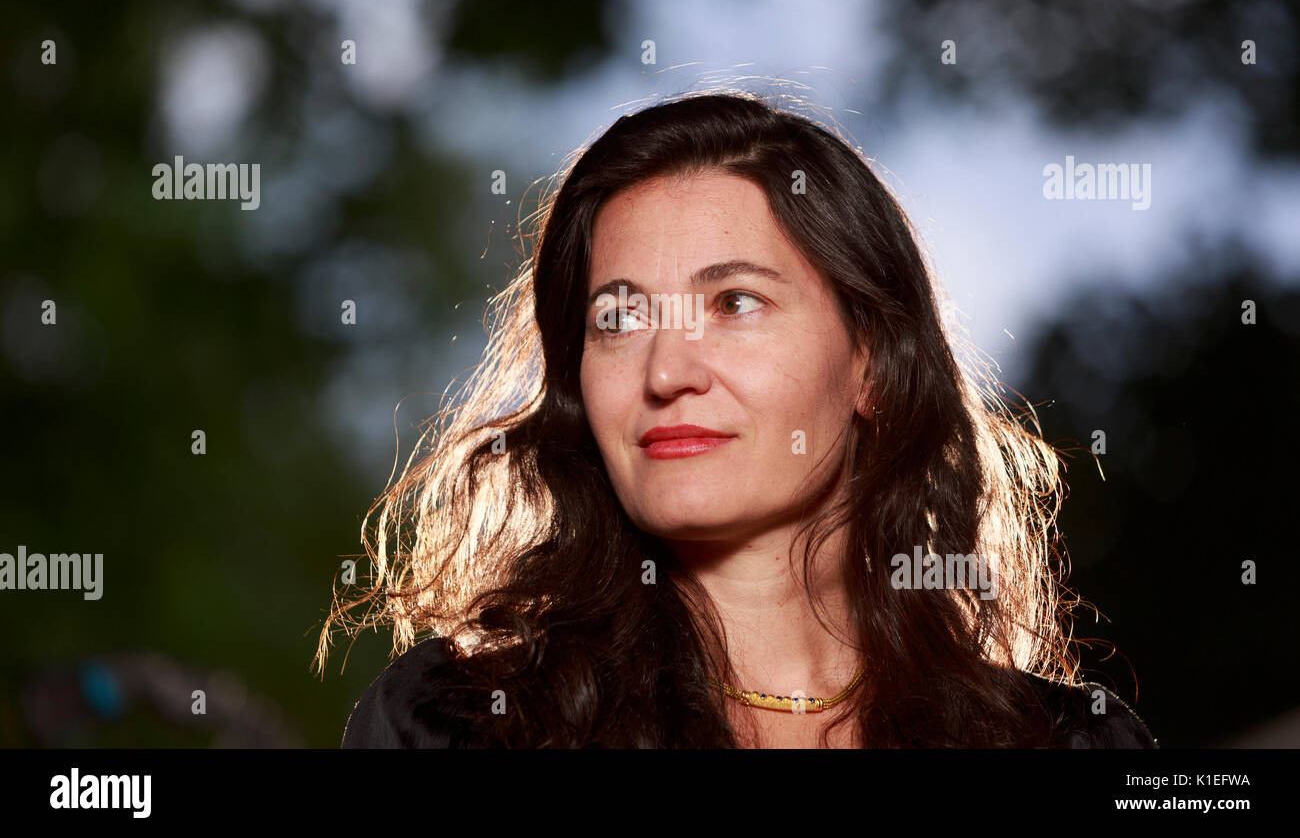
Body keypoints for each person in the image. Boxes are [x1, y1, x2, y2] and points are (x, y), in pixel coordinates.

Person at [318, 88, 1157, 749]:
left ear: (873, 366)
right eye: (618, 318)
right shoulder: (456, 726)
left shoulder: (1072, 742)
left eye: (735, 302)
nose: (667, 371)